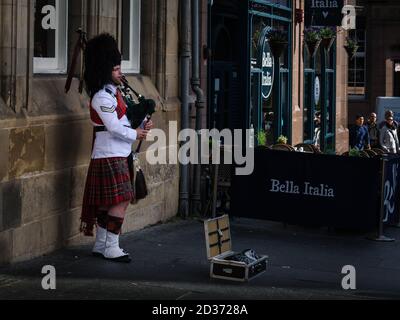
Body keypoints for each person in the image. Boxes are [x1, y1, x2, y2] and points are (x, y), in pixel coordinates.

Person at [80, 33, 153, 263]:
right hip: (109, 153)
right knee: (121, 199)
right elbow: (113, 127)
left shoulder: (114, 94)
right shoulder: (101, 97)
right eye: (115, 69)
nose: (120, 72)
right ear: (104, 71)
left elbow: (124, 120)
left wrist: (142, 122)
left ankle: (102, 244)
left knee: (109, 202)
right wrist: (136, 133)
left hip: (118, 153)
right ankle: (112, 247)